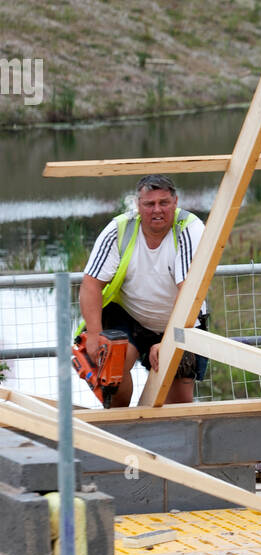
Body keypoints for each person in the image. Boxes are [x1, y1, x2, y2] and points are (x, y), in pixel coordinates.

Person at [78, 175, 208, 408]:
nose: (157, 210)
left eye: (164, 203)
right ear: (138, 205)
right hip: (131, 316)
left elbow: (188, 292)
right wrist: (95, 336)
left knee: (179, 405)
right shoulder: (119, 229)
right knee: (111, 364)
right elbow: (91, 284)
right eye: (149, 204)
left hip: (179, 319)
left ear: (175, 202)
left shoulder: (190, 229)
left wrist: (168, 341)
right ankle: (120, 425)